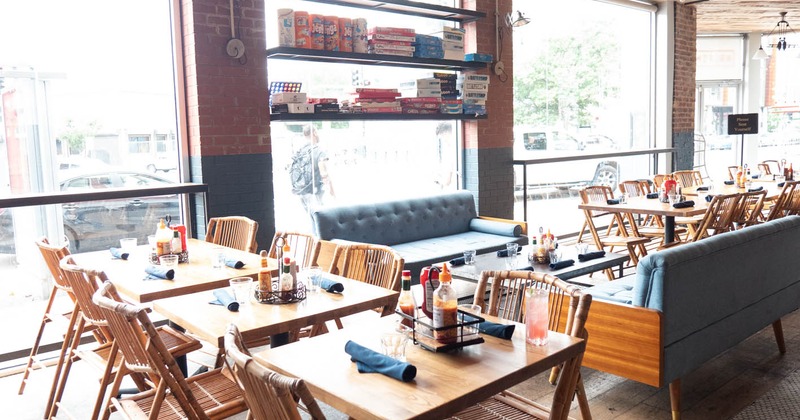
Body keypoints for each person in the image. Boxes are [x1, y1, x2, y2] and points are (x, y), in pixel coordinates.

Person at [289, 125, 334, 215]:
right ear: (315, 133)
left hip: (301, 191)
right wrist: (332, 191)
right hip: (316, 192)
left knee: (310, 219)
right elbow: (324, 173)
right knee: (321, 220)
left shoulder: (300, 151)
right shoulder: (319, 150)